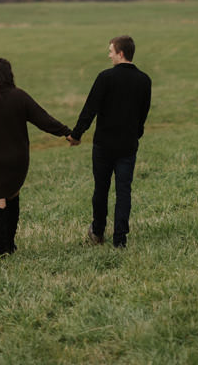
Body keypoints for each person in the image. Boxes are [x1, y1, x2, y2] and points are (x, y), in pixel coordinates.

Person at [0, 57, 73, 257]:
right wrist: (66, 132)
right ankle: (10, 243)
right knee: (12, 196)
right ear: (9, 74)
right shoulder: (19, 97)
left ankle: (2, 252)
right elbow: (43, 119)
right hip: (16, 159)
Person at [68, 35, 152, 249]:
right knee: (124, 192)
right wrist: (135, 134)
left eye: (111, 51)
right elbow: (143, 114)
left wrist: (76, 134)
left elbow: (90, 109)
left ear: (120, 53)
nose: (109, 55)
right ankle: (120, 239)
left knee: (101, 190)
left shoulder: (105, 78)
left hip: (104, 145)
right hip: (128, 145)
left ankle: (97, 232)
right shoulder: (144, 80)